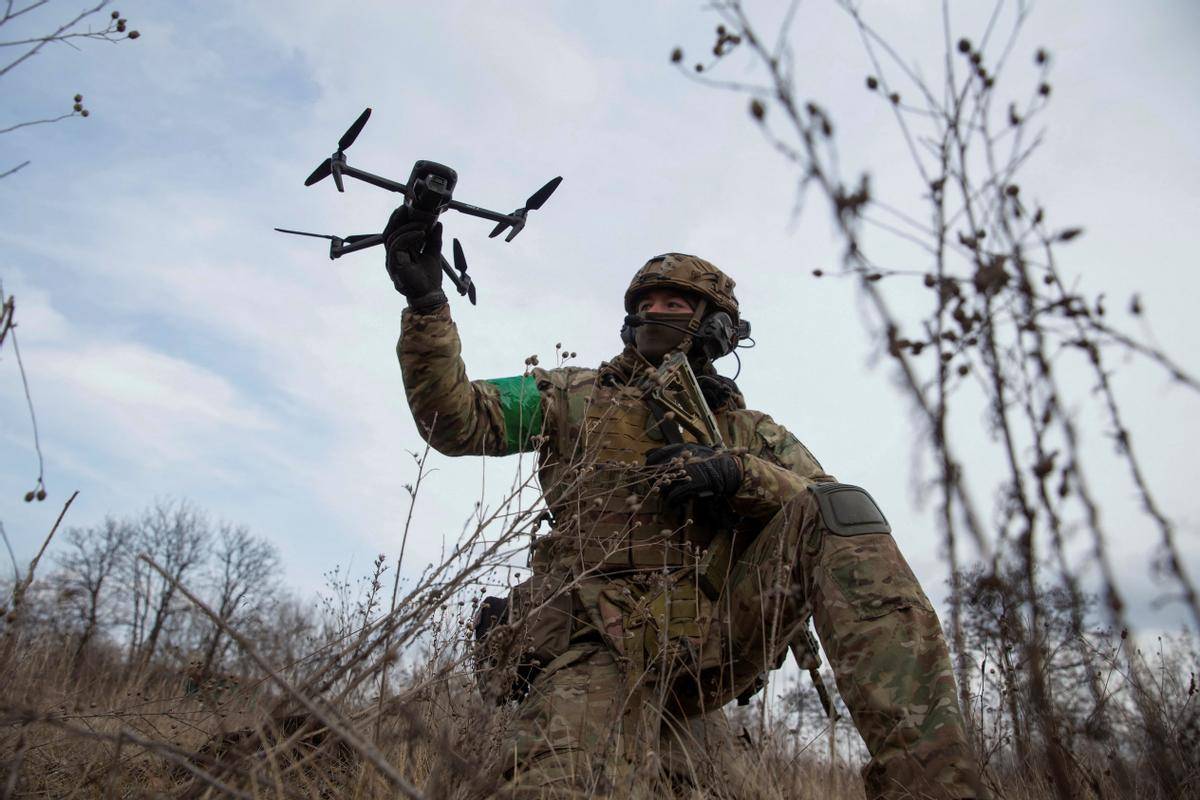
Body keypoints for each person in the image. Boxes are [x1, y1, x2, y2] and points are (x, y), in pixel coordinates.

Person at [384, 207, 984, 799]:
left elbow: (825, 507)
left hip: (716, 636)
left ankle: (933, 784)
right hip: (600, 635)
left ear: (716, 326)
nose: (655, 311)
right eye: (646, 302)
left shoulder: (751, 431)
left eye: (676, 303)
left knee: (845, 512)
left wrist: (739, 474)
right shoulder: (570, 395)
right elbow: (455, 418)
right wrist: (427, 309)